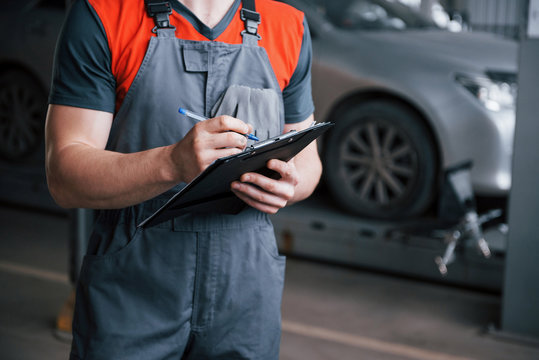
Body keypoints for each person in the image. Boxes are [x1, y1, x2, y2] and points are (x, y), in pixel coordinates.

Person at [45, 0, 320, 358]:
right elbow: (64, 176)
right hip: (133, 287)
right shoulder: (104, 13)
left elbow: (309, 163)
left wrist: (289, 185)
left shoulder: (287, 24)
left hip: (246, 292)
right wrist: (171, 163)